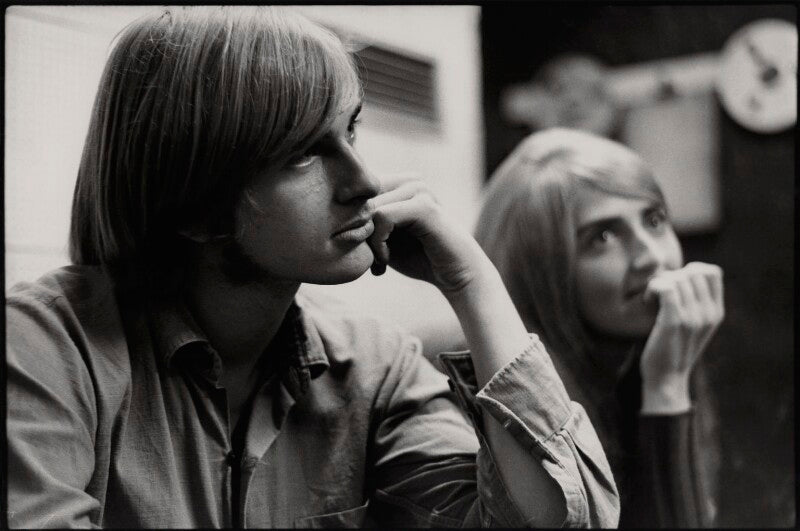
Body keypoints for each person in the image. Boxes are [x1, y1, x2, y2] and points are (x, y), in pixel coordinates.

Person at [6, 7, 620, 528]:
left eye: (351, 130)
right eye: (303, 154)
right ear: (193, 205)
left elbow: (563, 520)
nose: (365, 181)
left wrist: (472, 282)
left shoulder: (375, 369)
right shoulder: (43, 349)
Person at [474, 127, 723, 528]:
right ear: (541, 277)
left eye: (654, 220)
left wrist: (670, 381)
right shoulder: (509, 412)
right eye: (603, 237)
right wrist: (667, 387)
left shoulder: (653, 352)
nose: (652, 256)